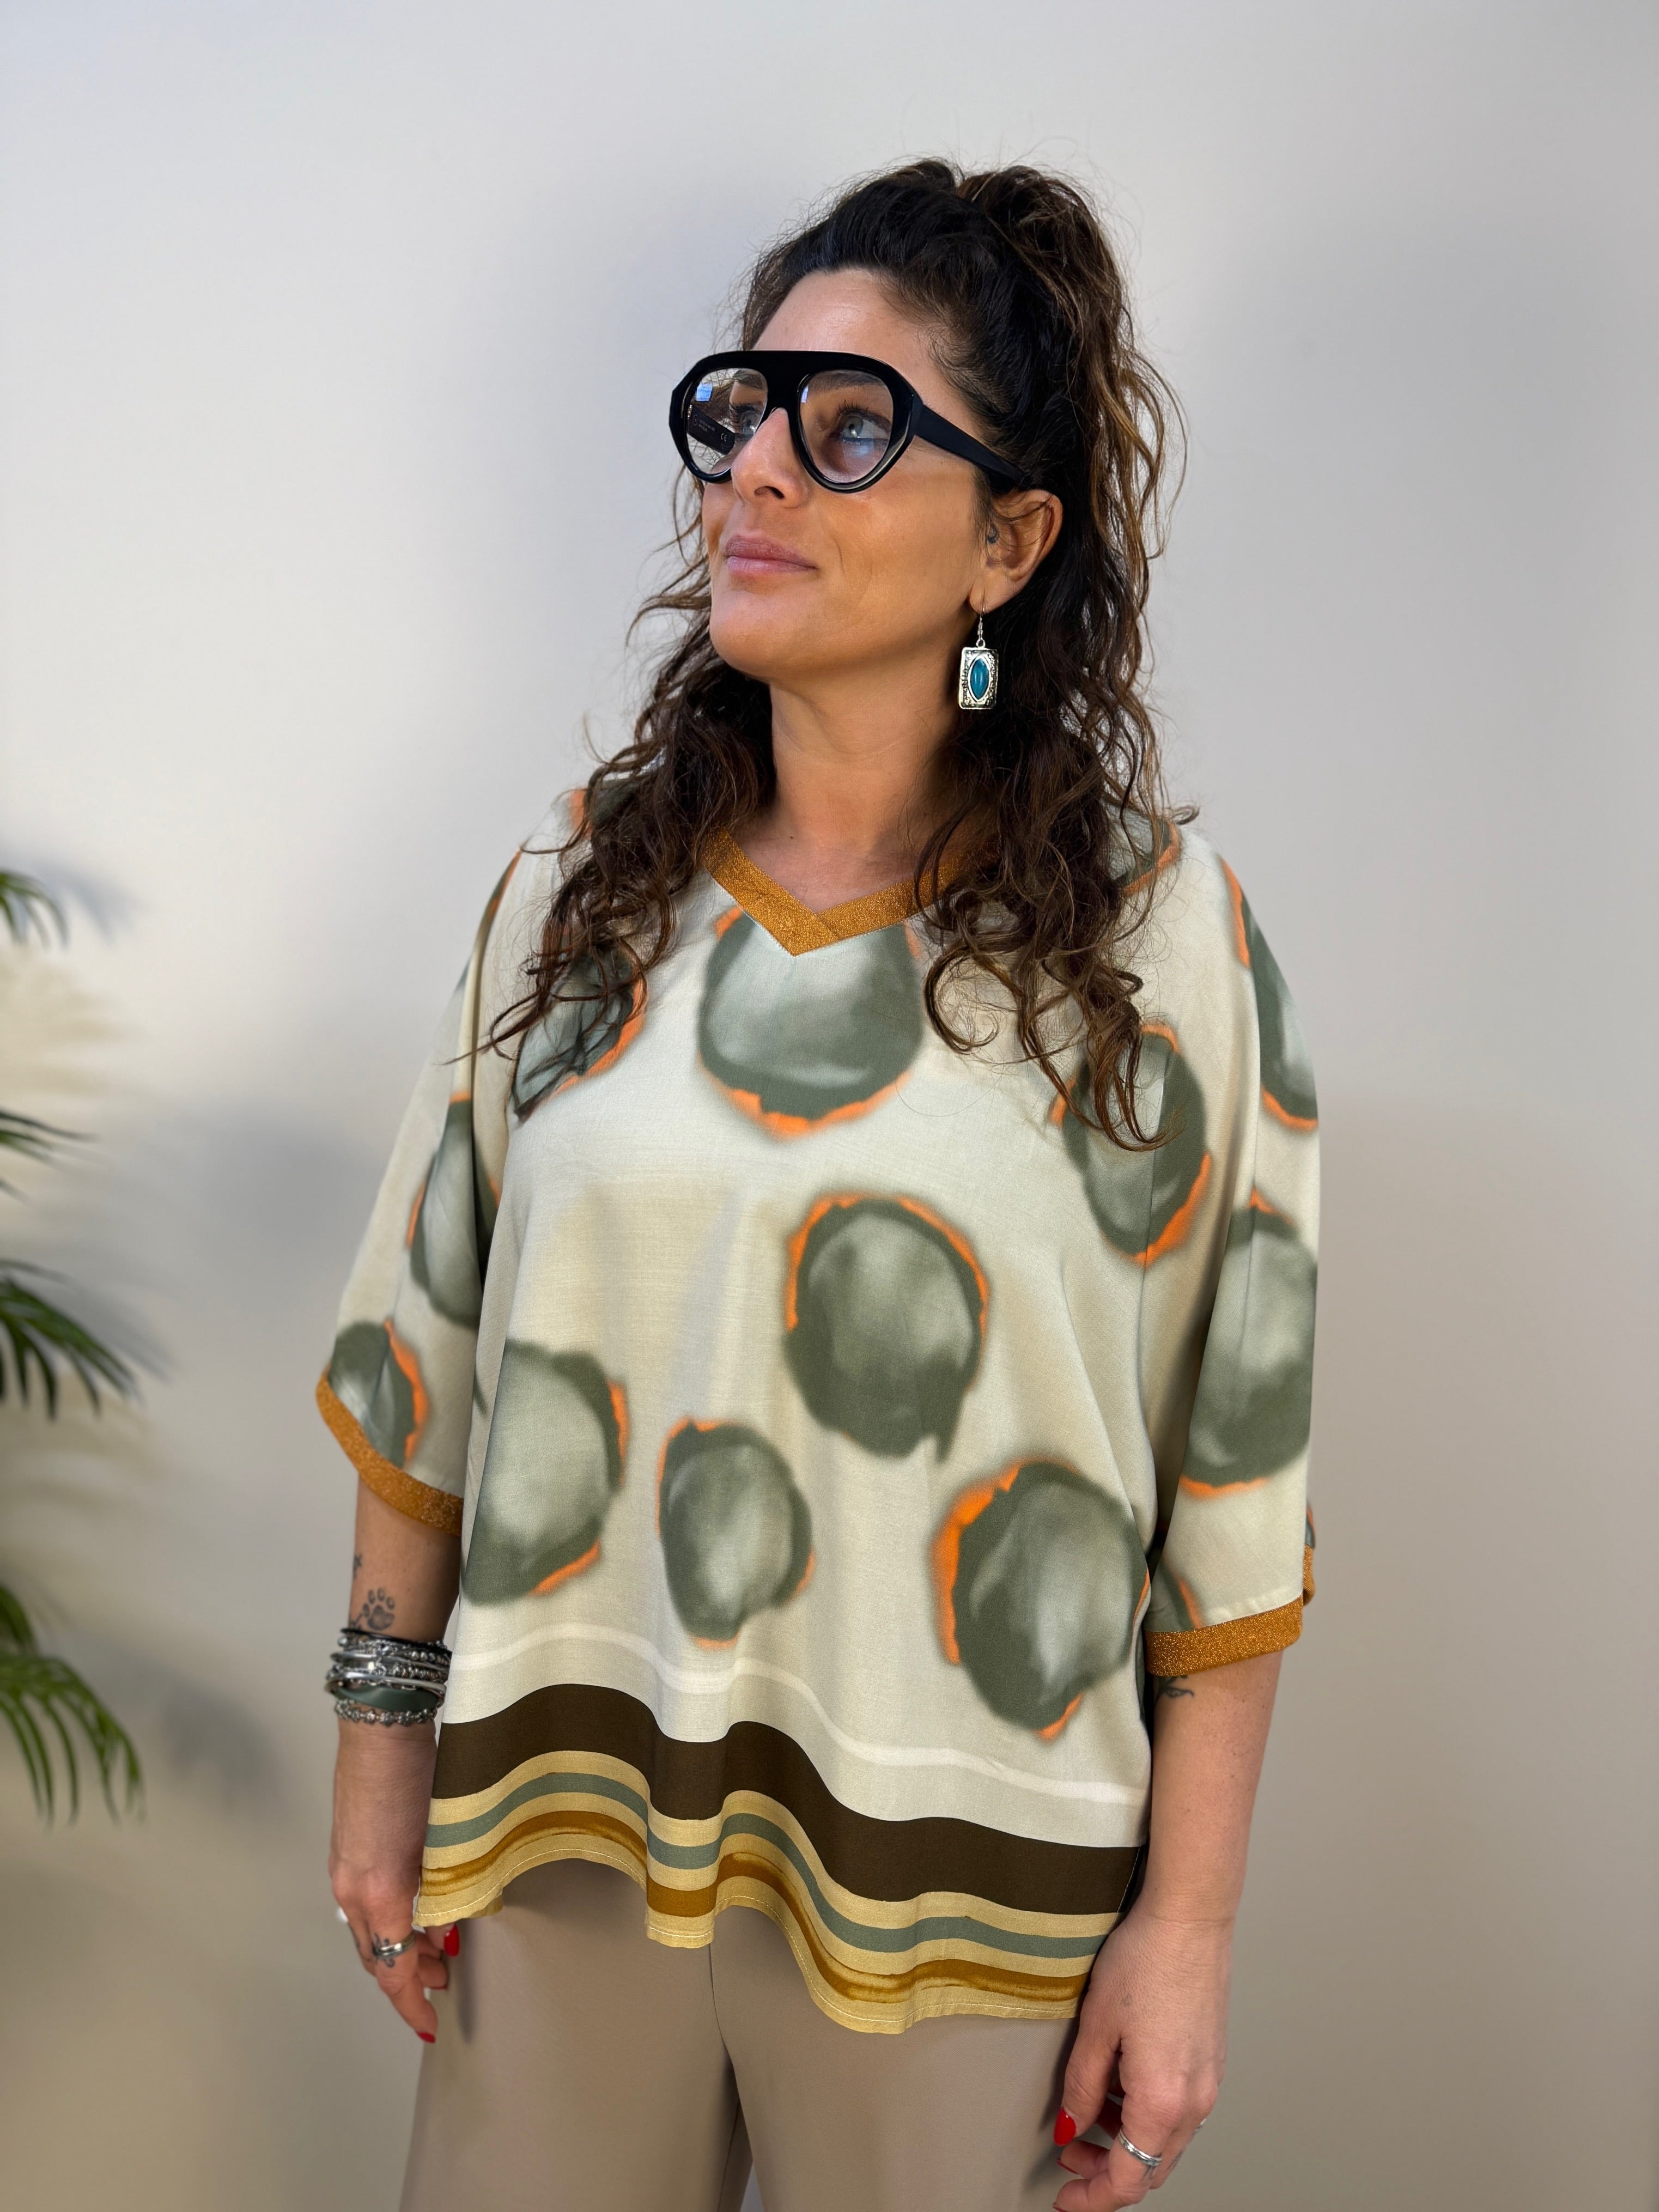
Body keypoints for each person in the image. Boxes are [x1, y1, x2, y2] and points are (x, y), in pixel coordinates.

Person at [320, 159, 1319, 2212]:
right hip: (562, 1827)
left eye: (851, 428)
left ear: (1009, 540)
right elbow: (427, 1343)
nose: (757, 472)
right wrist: (381, 1744)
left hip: (975, 1884)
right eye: (741, 412)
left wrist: (1191, 1923)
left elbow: (1235, 1470)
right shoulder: (577, 893)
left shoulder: (1165, 945)